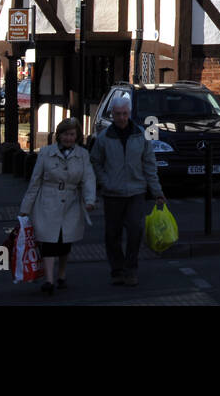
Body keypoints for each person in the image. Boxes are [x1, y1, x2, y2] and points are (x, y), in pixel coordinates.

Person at [90, 95, 165, 287]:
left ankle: (131, 269)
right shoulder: (104, 137)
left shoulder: (141, 135)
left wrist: (157, 191)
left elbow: (149, 165)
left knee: (135, 230)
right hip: (112, 193)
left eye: (124, 114)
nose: (121, 118)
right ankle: (117, 269)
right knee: (112, 234)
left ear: (129, 113)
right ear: (112, 114)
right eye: (117, 114)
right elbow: (95, 162)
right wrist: (104, 181)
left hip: (136, 192)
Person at [19, 117, 96, 296]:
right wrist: (25, 208)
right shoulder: (46, 153)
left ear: (77, 137)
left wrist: (90, 200)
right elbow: (35, 182)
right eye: (65, 134)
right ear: (59, 135)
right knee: (48, 242)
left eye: (72, 135)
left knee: (64, 243)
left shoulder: (83, 155)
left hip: (71, 202)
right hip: (47, 201)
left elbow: (88, 179)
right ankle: (49, 280)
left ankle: (61, 274)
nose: (68, 138)